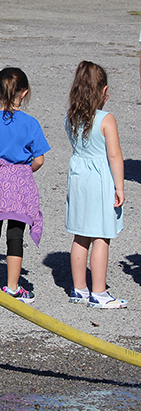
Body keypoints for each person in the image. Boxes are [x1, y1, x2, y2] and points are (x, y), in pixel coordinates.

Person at [0, 67, 50, 303]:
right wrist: (24, 170)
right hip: (21, 183)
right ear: (24, 93)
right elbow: (39, 159)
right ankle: (13, 286)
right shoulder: (31, 123)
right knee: (16, 235)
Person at [65, 61, 126, 309]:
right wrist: (119, 187)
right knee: (102, 234)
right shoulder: (106, 119)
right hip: (100, 179)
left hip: (79, 177)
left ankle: (79, 288)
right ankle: (99, 291)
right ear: (104, 92)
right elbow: (114, 155)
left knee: (81, 234)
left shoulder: (71, 117)